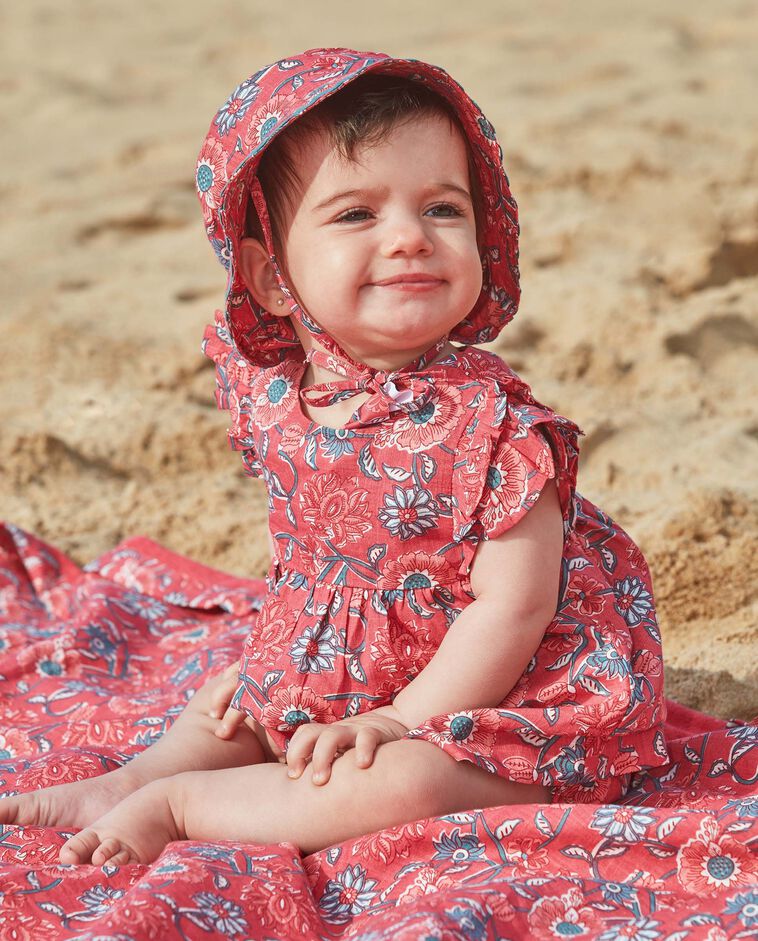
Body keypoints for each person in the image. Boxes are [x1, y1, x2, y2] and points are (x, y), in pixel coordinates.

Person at [0, 47, 668, 865]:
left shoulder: (494, 428)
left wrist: (398, 719)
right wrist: (283, 666)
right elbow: (307, 536)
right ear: (271, 278)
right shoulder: (278, 392)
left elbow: (514, 608)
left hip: (502, 689)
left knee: (408, 784)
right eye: (356, 215)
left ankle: (182, 805)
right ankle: (134, 779)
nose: (410, 238)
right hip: (346, 663)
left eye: (443, 208)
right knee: (227, 710)